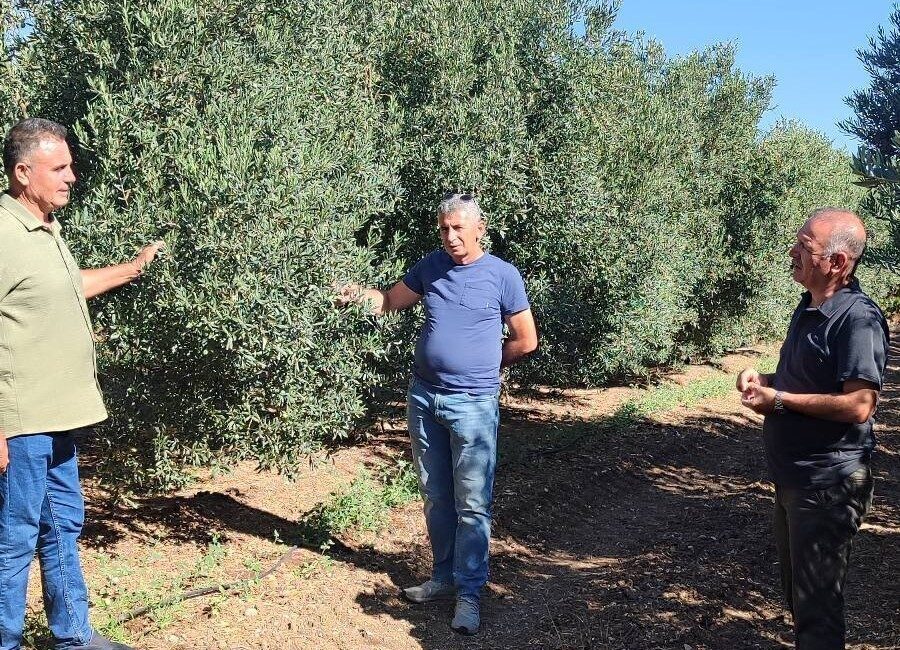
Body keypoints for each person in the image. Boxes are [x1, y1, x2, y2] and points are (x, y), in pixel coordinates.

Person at [337, 192, 538, 634]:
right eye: (444, 229)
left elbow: (526, 340)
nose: (450, 236)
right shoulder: (431, 266)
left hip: (473, 405)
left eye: (458, 228)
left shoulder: (502, 276)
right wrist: (355, 296)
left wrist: (486, 362)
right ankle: (443, 577)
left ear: (479, 229)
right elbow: (389, 301)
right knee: (435, 495)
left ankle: (469, 594)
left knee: (472, 504)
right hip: (425, 398)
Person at [0, 118, 163, 650]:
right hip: (21, 422)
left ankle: (74, 635)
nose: (72, 176)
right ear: (24, 173)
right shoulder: (3, 234)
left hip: (61, 416)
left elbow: (70, 287)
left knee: (62, 526)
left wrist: (132, 268)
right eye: (60, 167)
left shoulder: (45, 229)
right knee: (14, 540)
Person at [737, 208, 889, 650]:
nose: (793, 252)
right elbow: (805, 380)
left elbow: (860, 405)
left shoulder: (857, 320)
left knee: (817, 614)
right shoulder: (809, 308)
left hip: (827, 485)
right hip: (794, 479)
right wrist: (765, 381)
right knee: (801, 601)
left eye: (805, 247)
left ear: (838, 262)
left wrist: (779, 401)